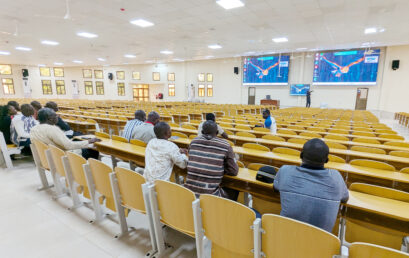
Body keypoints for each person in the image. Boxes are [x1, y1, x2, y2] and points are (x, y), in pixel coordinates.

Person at [273, 138, 349, 232]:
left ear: (301, 155)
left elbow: (275, 188)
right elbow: (345, 198)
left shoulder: (285, 171)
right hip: (320, 243)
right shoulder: (336, 177)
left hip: (285, 238)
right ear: (326, 160)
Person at [185, 120, 239, 200]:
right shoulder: (225, 145)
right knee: (235, 188)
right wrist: (219, 168)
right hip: (209, 197)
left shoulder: (193, 142)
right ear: (217, 132)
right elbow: (233, 172)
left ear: (202, 132)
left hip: (189, 194)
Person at [30, 108, 101, 159]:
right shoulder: (52, 129)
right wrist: (88, 142)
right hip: (61, 156)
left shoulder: (34, 129)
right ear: (50, 118)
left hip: (47, 156)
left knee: (78, 142)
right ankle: (90, 172)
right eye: (56, 115)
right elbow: (68, 146)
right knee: (93, 150)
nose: (58, 117)